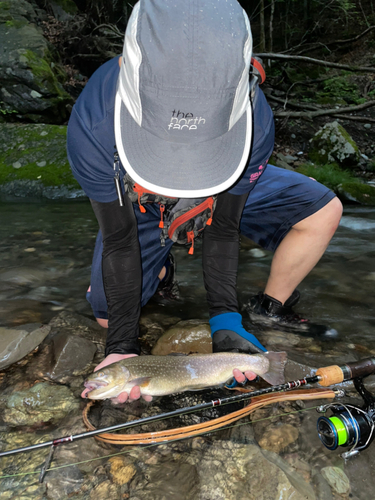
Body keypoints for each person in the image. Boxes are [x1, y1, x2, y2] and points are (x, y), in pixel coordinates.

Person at [67, 0, 342, 403]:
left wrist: (226, 317)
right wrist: (121, 346)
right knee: (110, 316)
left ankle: (269, 308)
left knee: (323, 210)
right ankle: (162, 266)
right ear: (127, 67)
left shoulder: (254, 117)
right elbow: (119, 240)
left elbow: (225, 228)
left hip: (220, 186)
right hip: (140, 203)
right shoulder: (93, 125)